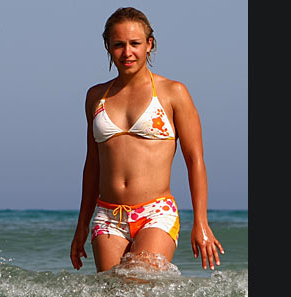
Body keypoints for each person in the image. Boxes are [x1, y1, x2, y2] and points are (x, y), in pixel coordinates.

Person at [70, 7, 224, 273]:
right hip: (107, 216)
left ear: (149, 45)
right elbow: (92, 165)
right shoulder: (96, 97)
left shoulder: (173, 93)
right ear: (108, 47)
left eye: (135, 44)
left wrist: (201, 221)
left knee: (138, 283)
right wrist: (82, 224)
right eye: (118, 45)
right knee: (113, 291)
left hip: (155, 213)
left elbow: (194, 160)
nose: (127, 52)